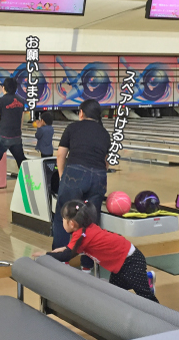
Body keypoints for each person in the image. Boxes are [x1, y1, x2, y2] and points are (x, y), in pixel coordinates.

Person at [34, 200, 158, 303]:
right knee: (115, 292)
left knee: (146, 297)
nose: (62, 222)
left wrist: (46, 254)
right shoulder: (83, 230)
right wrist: (57, 251)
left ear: (71, 223)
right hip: (121, 262)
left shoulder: (83, 235)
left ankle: (163, 319)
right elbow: (69, 249)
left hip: (130, 261)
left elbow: (66, 255)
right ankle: (145, 278)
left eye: (63, 219)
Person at [53, 99, 111, 273]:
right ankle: (87, 266)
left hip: (75, 174)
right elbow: (106, 163)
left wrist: (63, 177)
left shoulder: (73, 127)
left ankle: (61, 262)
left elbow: (61, 155)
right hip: (99, 177)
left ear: (81, 113)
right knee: (90, 221)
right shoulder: (104, 133)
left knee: (63, 216)